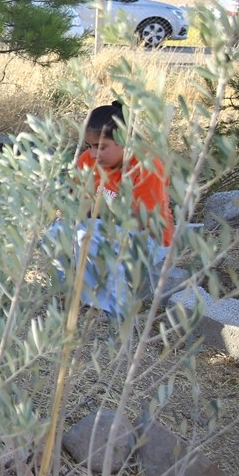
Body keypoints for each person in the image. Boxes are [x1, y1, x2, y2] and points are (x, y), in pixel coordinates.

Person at [68, 100, 174, 317]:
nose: (94, 153)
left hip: (151, 239)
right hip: (105, 229)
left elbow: (145, 221)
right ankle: (76, 297)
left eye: (102, 146)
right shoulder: (88, 161)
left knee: (90, 235)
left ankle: (116, 309)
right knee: (57, 233)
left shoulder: (146, 166)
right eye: (90, 146)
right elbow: (77, 204)